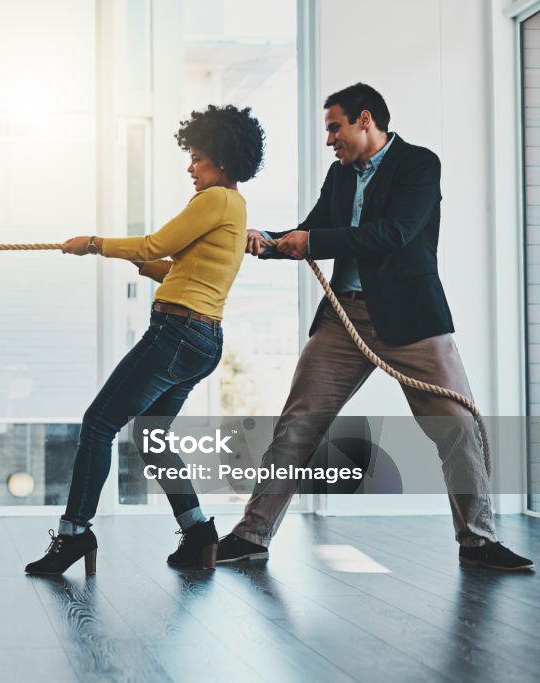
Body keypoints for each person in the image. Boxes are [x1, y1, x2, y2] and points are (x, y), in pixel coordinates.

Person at [216, 83, 533, 571]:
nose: (329, 140)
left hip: (412, 319)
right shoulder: (339, 177)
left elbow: (397, 233)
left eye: (334, 128)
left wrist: (310, 238)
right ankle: (252, 535)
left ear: (365, 119)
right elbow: (314, 228)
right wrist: (271, 240)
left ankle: (478, 541)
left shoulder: (420, 165)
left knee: (457, 428)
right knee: (297, 427)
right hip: (344, 321)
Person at [24, 105, 266, 576]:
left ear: (222, 159)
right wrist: (130, 259)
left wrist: (96, 242)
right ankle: (197, 532)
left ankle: (74, 534)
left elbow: (156, 244)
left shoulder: (215, 199)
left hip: (176, 333)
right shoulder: (234, 207)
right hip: (202, 339)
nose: (191, 167)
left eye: (197, 158)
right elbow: (173, 268)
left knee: (97, 424)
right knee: (151, 437)